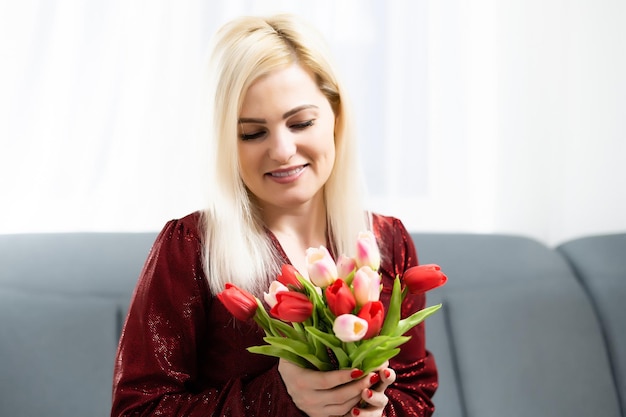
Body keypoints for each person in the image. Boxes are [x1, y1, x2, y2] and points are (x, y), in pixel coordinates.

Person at [111, 13, 438, 417]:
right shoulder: (191, 247)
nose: (282, 150)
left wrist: (376, 410)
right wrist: (277, 398)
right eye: (251, 132)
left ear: (336, 116)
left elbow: (414, 393)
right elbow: (139, 410)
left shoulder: (388, 241)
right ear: (226, 142)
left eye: (300, 122)